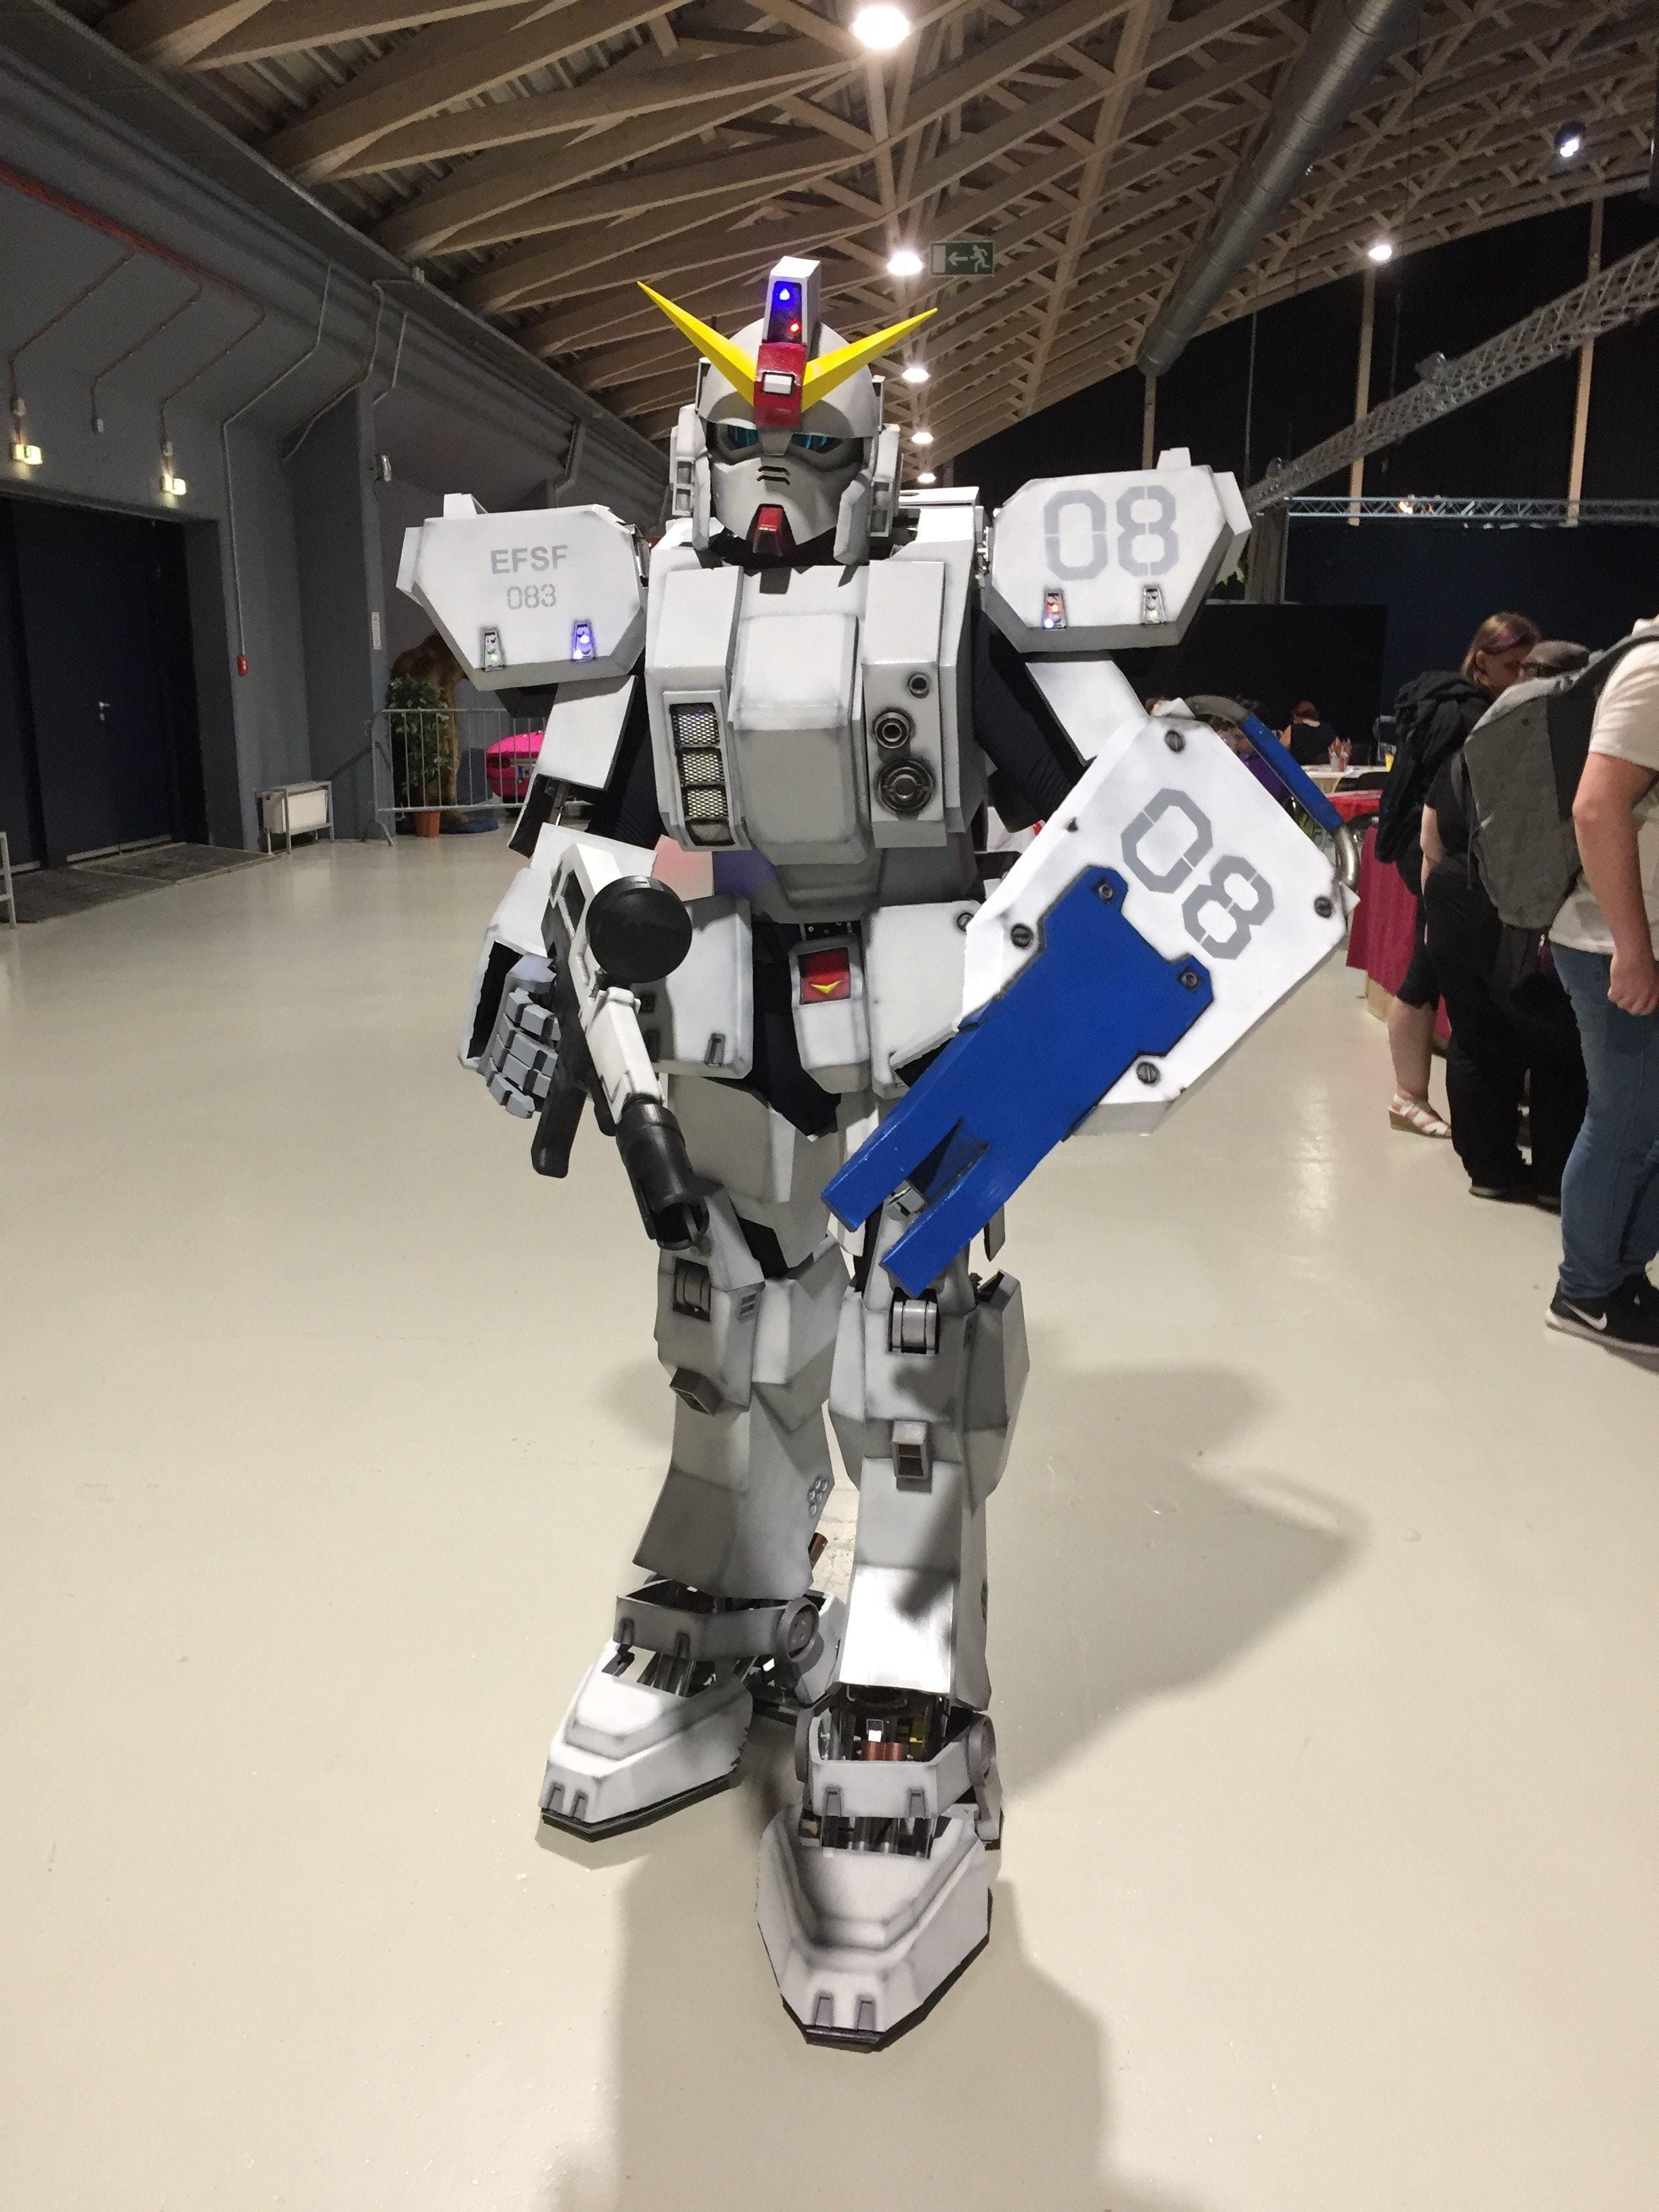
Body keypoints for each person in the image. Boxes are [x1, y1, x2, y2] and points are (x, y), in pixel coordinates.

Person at [1420, 647, 1589, 1206]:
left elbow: (1432, 837)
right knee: (1557, 1046)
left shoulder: (1479, 734)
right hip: (1528, 902)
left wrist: (1434, 922)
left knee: (1475, 1037)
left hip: (1456, 890)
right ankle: (1555, 1180)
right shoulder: (1573, 737)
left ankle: (1490, 1169)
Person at [1374, 612, 1541, 1137]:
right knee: (1431, 969)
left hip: (1443, 855)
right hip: (1440, 857)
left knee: (1444, 970)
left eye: (1529, 667)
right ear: (1482, 662)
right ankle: (1409, 1097)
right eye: (1513, 666)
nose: (1522, 677)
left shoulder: (1459, 707)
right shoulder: (1466, 717)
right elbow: (1442, 809)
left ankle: (1432, 1099)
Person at [1545, 614, 1659, 1353]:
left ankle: (1617, 1273)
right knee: (1622, 1127)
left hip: (1634, 939)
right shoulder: (1654, 671)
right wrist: (1632, 949)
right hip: (1613, 944)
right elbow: (1595, 806)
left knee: (1638, 1128)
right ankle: (1585, 1291)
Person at [1284, 699, 1339, 766]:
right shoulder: (1327, 728)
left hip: (1300, 770)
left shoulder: (1293, 729)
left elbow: (1280, 750)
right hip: (1326, 769)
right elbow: (1339, 750)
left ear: (1295, 715)